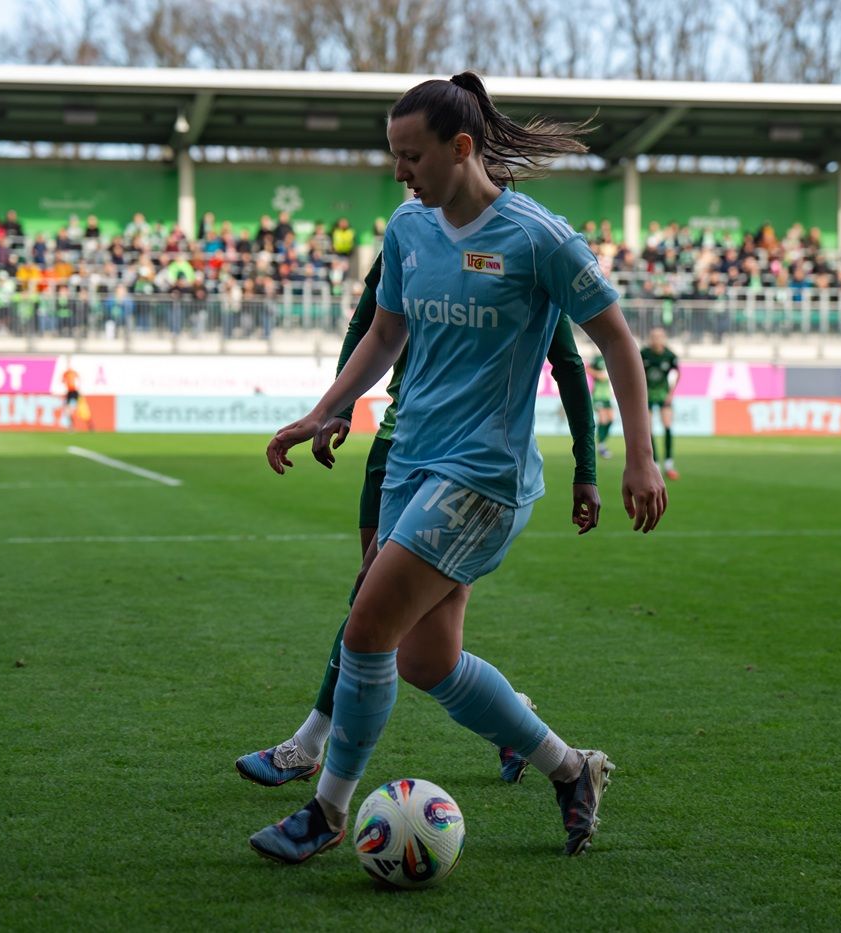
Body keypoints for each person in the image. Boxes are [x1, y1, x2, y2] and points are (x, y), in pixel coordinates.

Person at [250, 72, 665, 864]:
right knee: (426, 660)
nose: (399, 172)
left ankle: (327, 809)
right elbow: (385, 334)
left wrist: (636, 457)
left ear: (461, 147)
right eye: (394, 156)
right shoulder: (408, 229)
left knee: (367, 627)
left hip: (483, 476)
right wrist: (324, 409)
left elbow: (615, 339)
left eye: (411, 156)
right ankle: (572, 768)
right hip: (412, 461)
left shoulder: (538, 237)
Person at [236, 250, 601, 789]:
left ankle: (311, 753)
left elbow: (568, 361)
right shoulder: (410, 235)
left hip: (467, 463)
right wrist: (339, 406)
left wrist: (585, 466)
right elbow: (368, 324)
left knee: (376, 602)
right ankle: (518, 728)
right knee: (416, 638)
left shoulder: (521, 248)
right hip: (396, 444)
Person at [641, 327, 680, 480]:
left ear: (664, 338)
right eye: (653, 336)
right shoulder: (644, 353)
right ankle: (655, 464)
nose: (656, 339)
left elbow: (677, 373)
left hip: (664, 395)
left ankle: (669, 463)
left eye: (659, 336)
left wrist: (671, 393)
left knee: (667, 426)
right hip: (648, 396)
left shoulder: (670, 355)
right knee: (648, 429)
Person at [590, 352, 616, 458]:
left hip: (607, 396)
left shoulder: (612, 358)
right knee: (603, 419)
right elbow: (588, 369)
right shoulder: (598, 358)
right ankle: (600, 446)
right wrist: (598, 374)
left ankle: (602, 443)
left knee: (611, 419)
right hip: (598, 395)